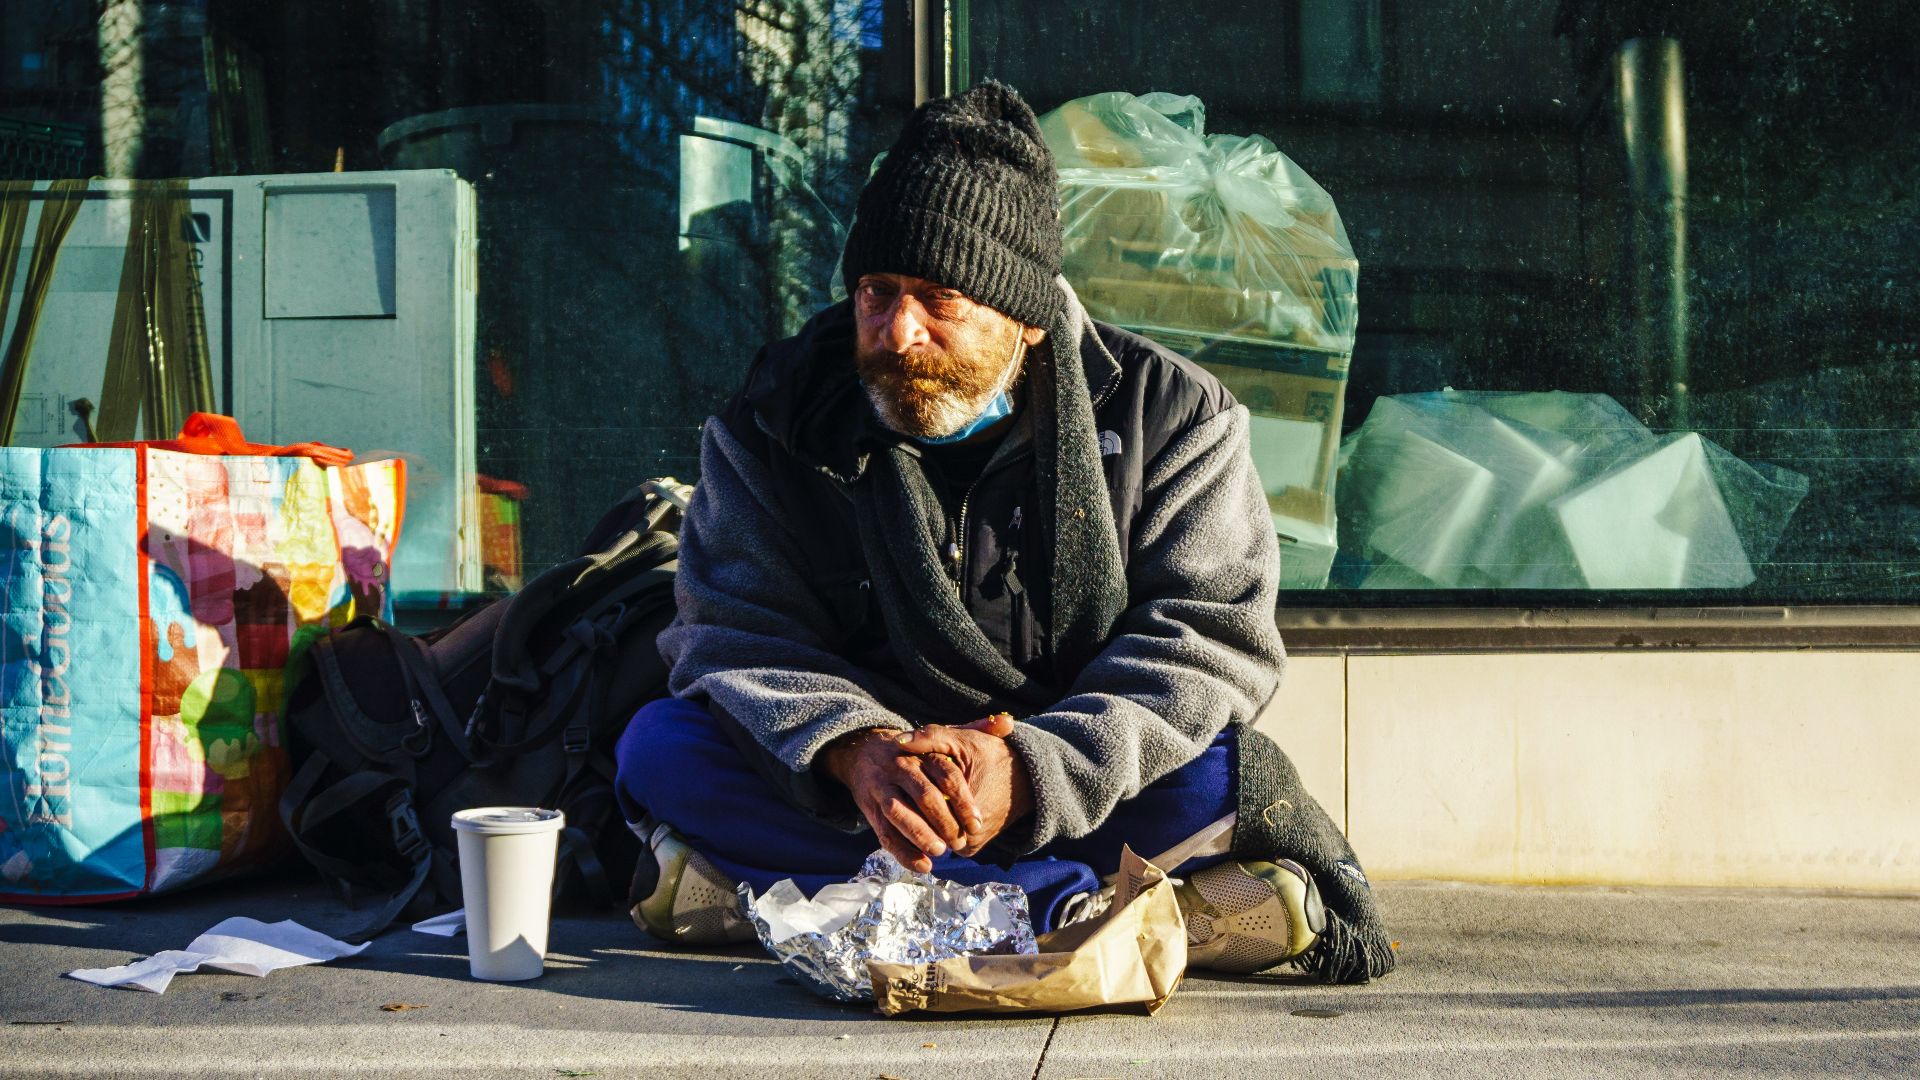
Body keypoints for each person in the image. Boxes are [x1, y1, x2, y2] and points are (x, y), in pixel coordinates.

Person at [615, 81, 1393, 982]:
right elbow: (730, 630)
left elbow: (1209, 643)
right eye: (877, 292)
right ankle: (1075, 906)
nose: (897, 332)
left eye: (939, 298)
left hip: (1068, 775)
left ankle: (797, 899)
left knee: (1223, 773)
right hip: (862, 792)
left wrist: (1027, 772)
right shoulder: (775, 417)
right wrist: (853, 751)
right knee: (661, 748)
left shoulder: (1174, 416)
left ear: (1026, 317)